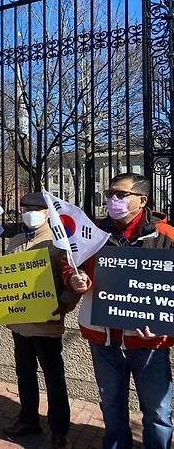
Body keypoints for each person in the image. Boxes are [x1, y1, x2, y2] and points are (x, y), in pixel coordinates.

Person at [64, 173, 174, 449]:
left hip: (149, 340)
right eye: (110, 193)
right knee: (111, 405)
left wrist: (163, 319)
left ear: (142, 199)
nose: (113, 199)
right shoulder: (92, 232)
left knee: (158, 412)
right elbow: (70, 264)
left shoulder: (166, 236)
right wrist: (74, 280)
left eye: (121, 194)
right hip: (103, 338)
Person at [0, 193, 78, 449]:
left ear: (48, 212)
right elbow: (6, 276)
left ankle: (60, 430)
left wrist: (64, 304)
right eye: (25, 209)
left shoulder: (59, 242)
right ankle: (28, 419)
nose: (29, 213)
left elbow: (71, 278)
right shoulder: (16, 240)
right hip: (19, 324)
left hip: (46, 324)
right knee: (24, 373)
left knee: (53, 376)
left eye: (36, 209)